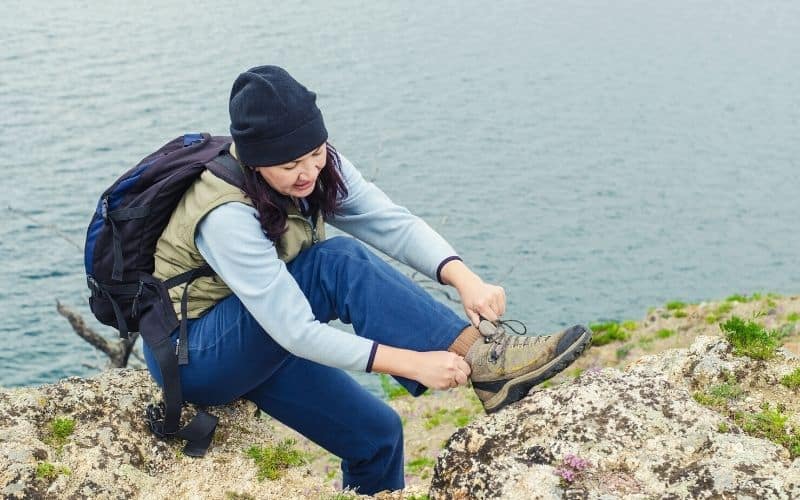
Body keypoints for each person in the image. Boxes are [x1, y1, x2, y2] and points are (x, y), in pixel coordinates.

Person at [142, 65, 591, 495]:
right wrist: (413, 363)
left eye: (315, 153)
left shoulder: (317, 169)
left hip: (259, 333)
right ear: (256, 163)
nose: (308, 172)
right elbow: (296, 330)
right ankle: (486, 362)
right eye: (290, 164)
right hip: (197, 357)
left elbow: (390, 222)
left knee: (377, 435)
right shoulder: (225, 216)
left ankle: (484, 367)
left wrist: (463, 277)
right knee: (336, 263)